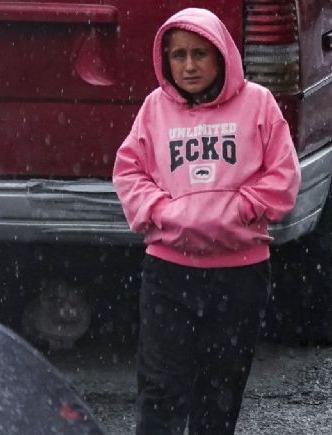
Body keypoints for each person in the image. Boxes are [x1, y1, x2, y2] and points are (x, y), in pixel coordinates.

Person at [112, 8, 301, 435]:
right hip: (169, 274)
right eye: (178, 55)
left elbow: (284, 175)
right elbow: (129, 171)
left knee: (219, 396)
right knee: (161, 391)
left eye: (200, 53)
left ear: (222, 56)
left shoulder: (258, 104)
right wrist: (161, 211)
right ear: (166, 61)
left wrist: (242, 208)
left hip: (239, 275)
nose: (189, 65)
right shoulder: (154, 109)